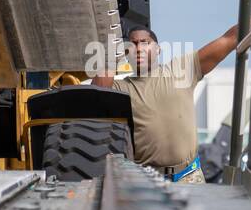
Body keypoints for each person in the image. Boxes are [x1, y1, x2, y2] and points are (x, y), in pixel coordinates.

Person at [93, 24, 238, 182]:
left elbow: (228, 40)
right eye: (133, 45)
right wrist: (111, 53)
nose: (139, 49)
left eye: (145, 42)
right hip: (147, 180)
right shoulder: (121, 89)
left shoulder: (180, 71)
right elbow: (96, 96)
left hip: (189, 177)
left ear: (158, 49)